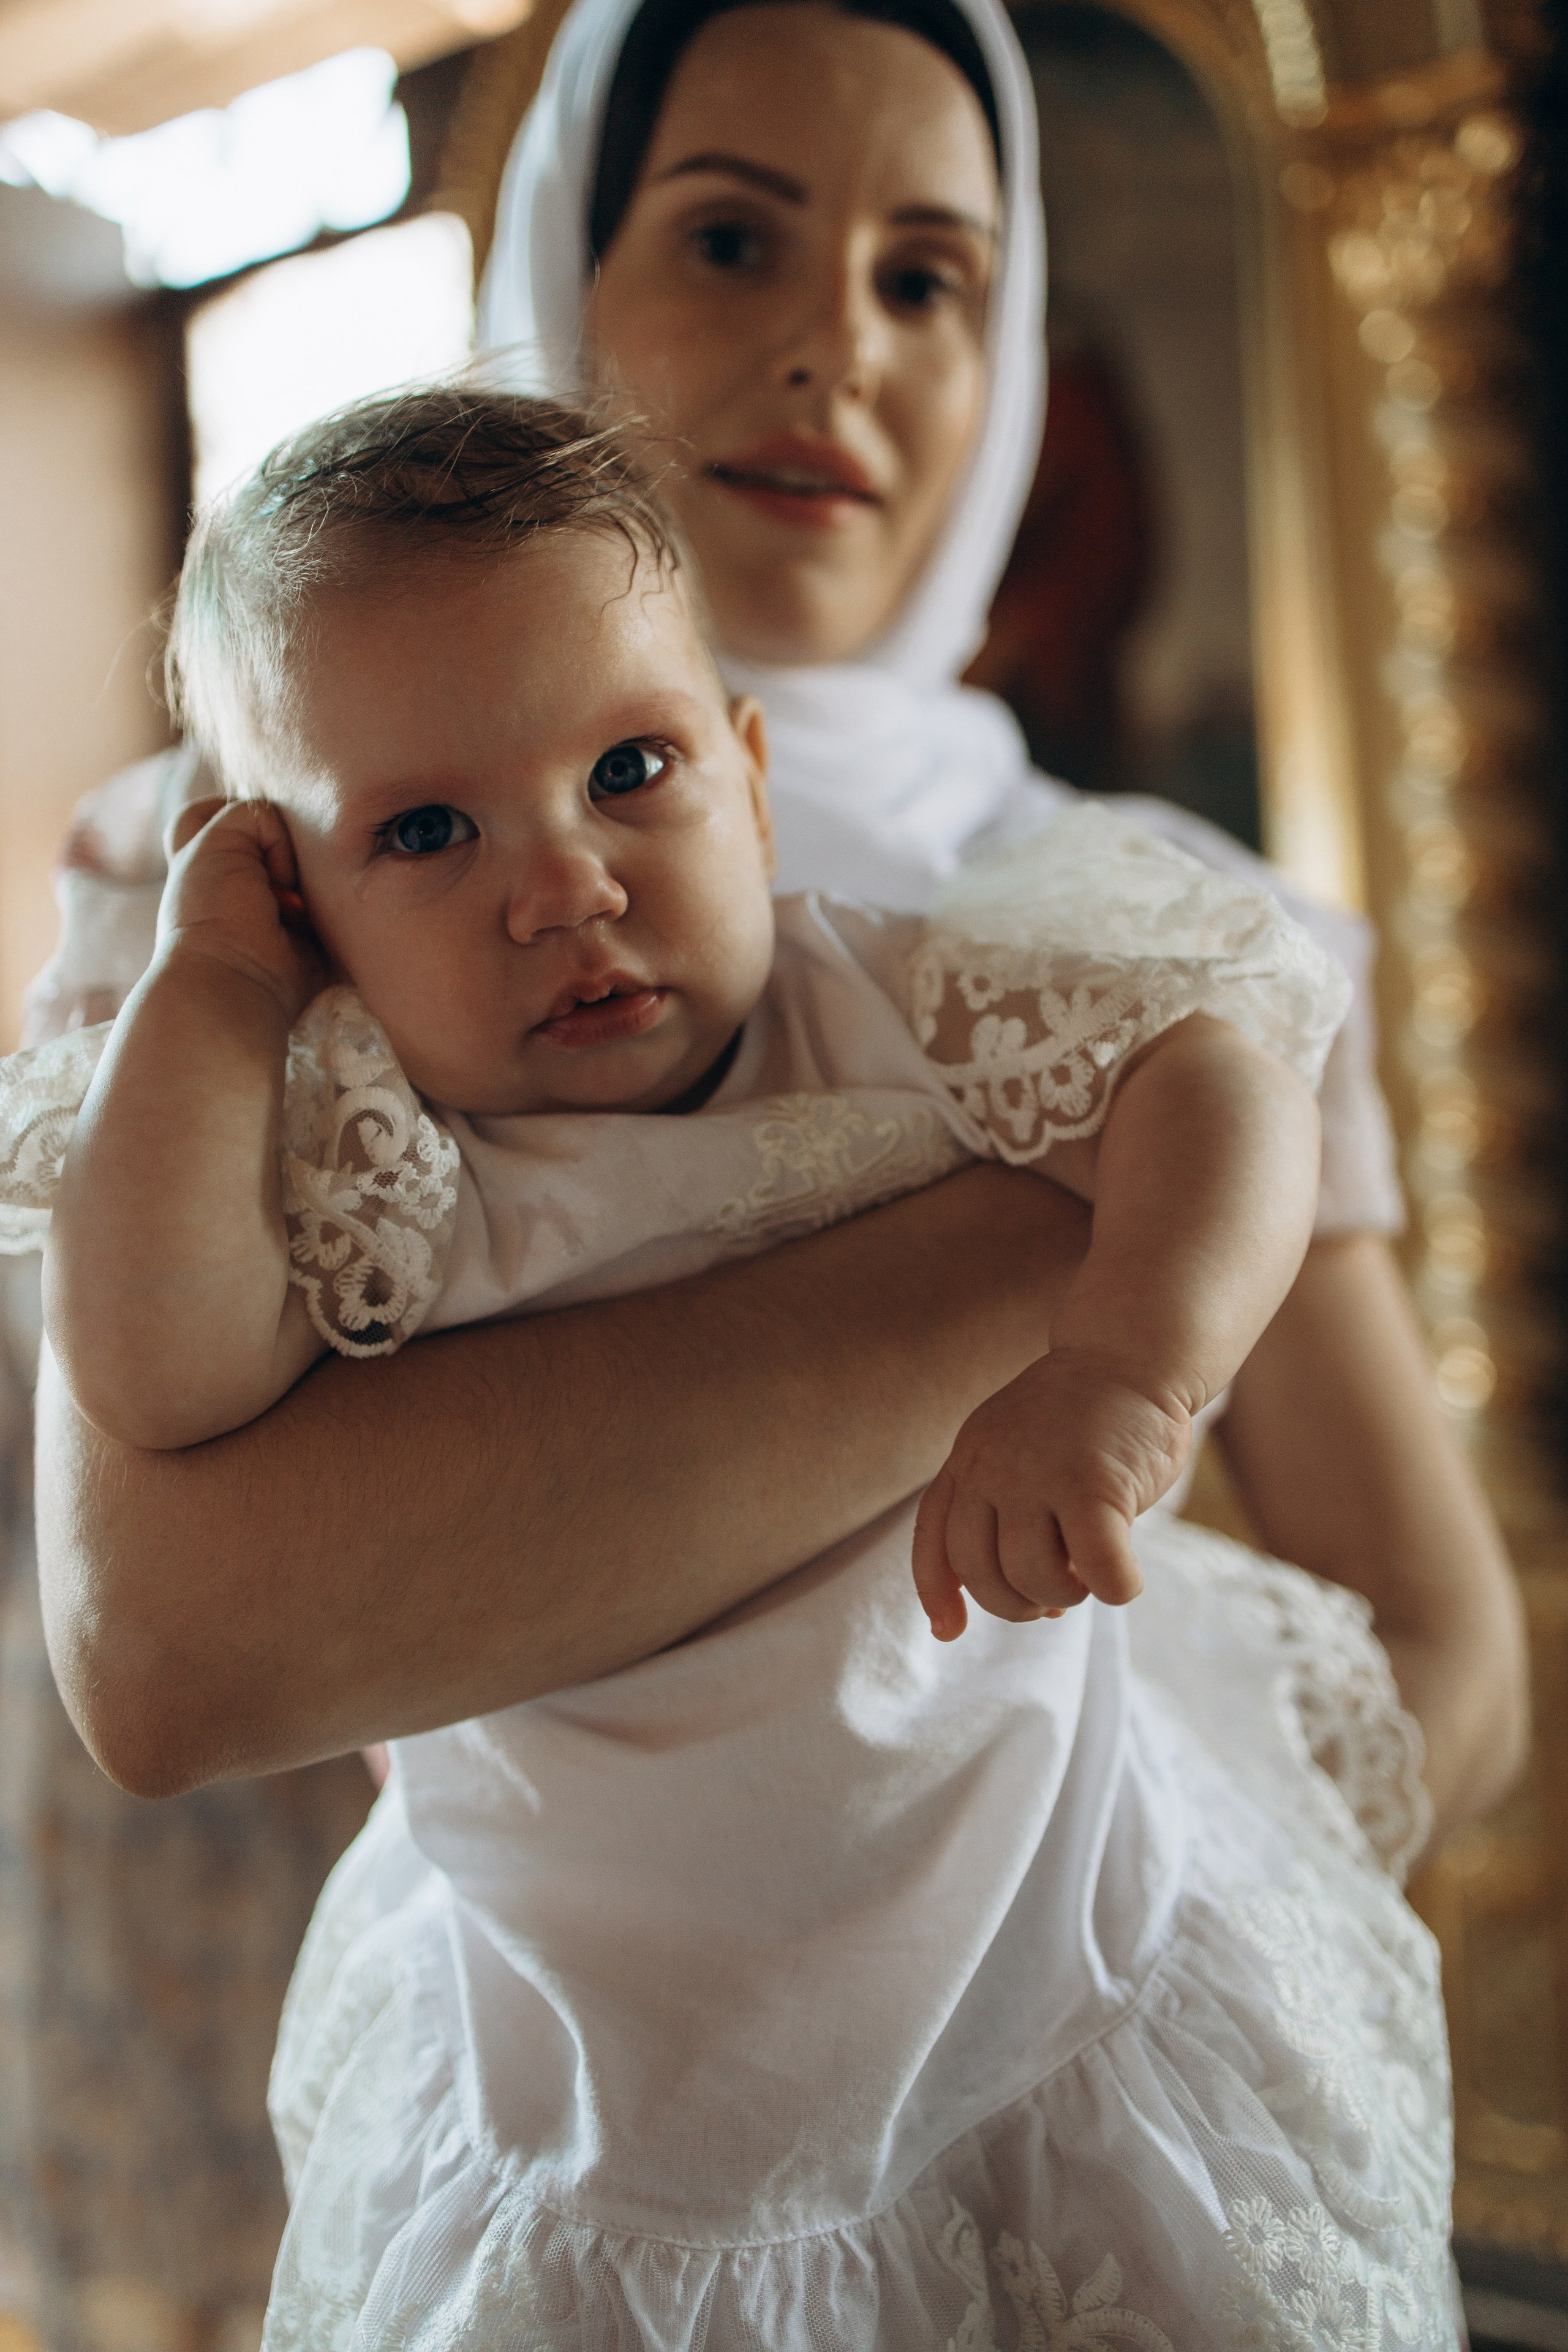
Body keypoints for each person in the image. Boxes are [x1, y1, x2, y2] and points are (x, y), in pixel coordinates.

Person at [21, 0, 1524, 2320]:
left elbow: (1448, 1646)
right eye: (733, 240)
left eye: (931, 276)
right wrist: (1025, 1246)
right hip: (568, 2091)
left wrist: (1135, 1977)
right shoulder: (242, 891)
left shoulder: (1143, 928)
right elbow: (179, 1653)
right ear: (565, 278)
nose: (836, 345)